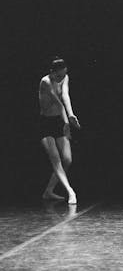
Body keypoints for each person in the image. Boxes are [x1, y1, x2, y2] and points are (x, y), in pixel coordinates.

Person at [38, 57, 81, 204]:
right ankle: (71, 191)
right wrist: (67, 122)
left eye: (64, 74)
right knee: (56, 160)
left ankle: (48, 191)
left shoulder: (65, 78)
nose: (61, 78)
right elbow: (58, 102)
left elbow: (65, 96)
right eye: (59, 75)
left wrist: (71, 115)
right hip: (45, 123)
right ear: (52, 72)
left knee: (67, 159)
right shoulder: (46, 82)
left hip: (58, 121)